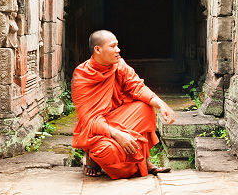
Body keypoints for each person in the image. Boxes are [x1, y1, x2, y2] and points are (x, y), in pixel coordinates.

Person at [71, 30, 176, 179]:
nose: (118, 50)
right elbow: (89, 120)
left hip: (118, 119)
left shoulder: (119, 65)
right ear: (98, 49)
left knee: (145, 107)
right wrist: (118, 135)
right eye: (113, 46)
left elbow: (137, 87)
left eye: (117, 45)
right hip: (97, 130)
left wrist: (162, 104)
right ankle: (93, 157)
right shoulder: (82, 75)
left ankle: (144, 161)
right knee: (105, 151)